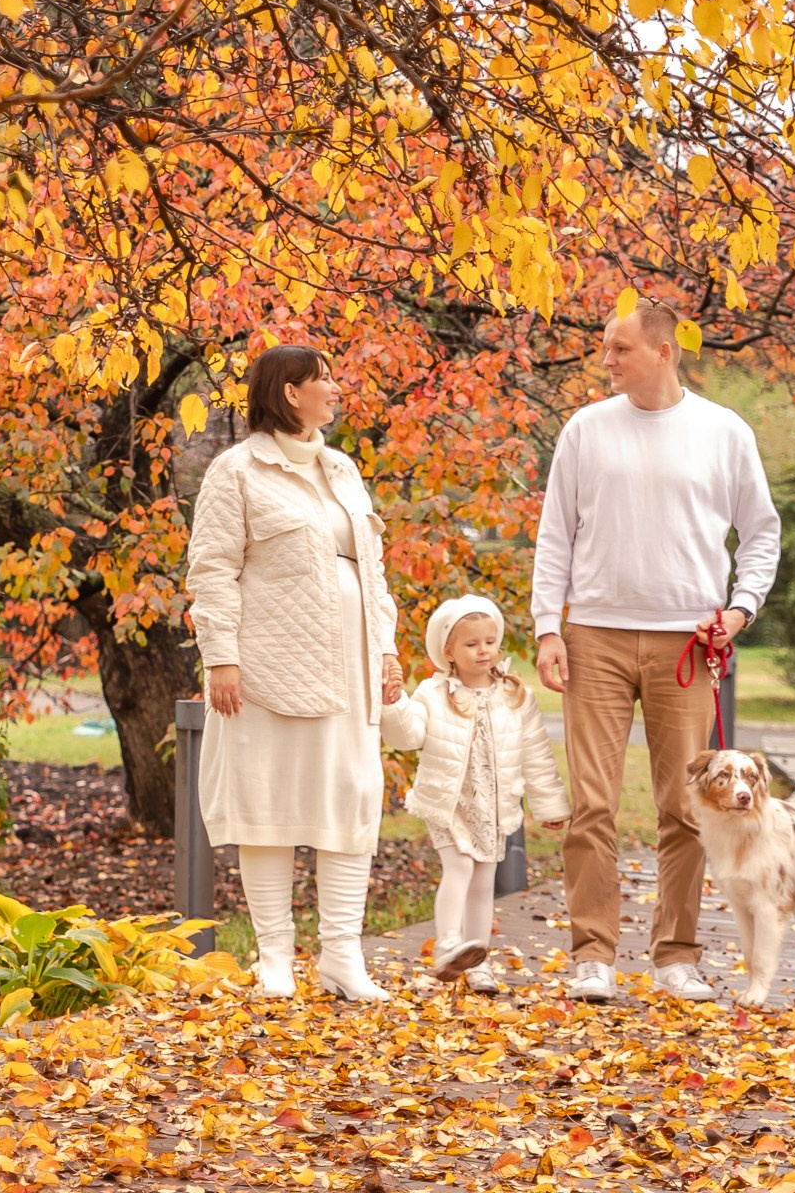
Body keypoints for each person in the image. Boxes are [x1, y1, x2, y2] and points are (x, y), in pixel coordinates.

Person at [531, 299, 782, 1005]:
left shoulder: (723, 432)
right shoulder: (585, 429)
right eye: (606, 349)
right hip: (596, 637)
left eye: (619, 349)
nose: (605, 360)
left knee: (685, 807)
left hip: (687, 641)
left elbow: (761, 532)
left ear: (664, 352)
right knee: (592, 805)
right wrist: (549, 626)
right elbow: (556, 536)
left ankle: (677, 955)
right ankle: (592, 954)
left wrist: (740, 608)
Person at [185, 343, 405, 1000]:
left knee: (350, 798)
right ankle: (274, 959)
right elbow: (212, 569)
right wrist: (221, 656)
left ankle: (342, 957)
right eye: (324, 380)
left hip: (351, 672)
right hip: (264, 671)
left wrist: (387, 649)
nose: (335, 389)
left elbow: (375, 572)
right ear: (289, 392)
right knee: (269, 804)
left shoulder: (342, 469)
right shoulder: (237, 471)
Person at [381, 595, 569, 993]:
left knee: (484, 882)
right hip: (449, 801)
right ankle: (448, 943)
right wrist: (395, 704)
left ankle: (478, 959)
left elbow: (536, 751)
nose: (483, 650)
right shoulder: (433, 695)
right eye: (471, 644)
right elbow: (407, 737)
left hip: (493, 804)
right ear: (448, 650)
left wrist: (549, 803)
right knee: (460, 868)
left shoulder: (516, 695)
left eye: (490, 641)